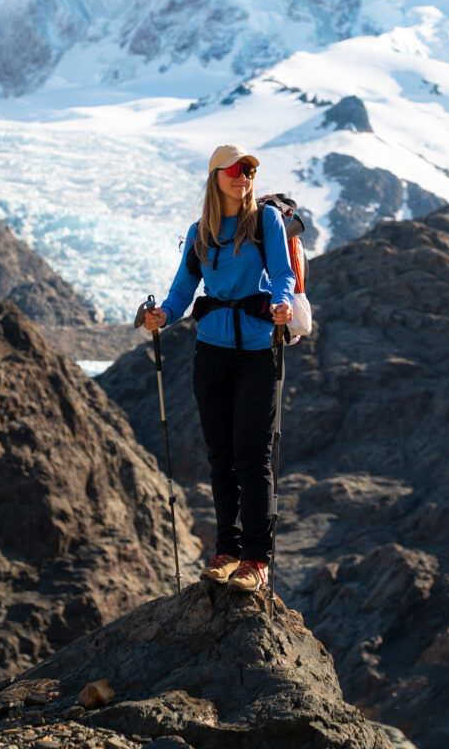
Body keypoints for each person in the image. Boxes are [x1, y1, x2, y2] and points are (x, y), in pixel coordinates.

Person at [144, 143, 294, 592]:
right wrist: (163, 316)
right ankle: (227, 552)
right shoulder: (200, 233)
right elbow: (181, 289)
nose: (243, 176)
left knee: (252, 456)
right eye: (234, 169)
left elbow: (283, 274)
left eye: (249, 170)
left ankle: (256, 559)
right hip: (211, 351)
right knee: (221, 457)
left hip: (255, 352)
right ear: (215, 176)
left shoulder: (265, 221)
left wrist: (283, 302)